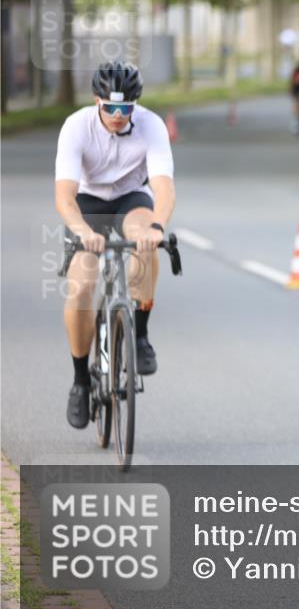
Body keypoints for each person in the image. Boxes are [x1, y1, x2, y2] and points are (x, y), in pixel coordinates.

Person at [54, 61, 176, 429]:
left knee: (145, 241)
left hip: (131, 198)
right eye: (111, 108)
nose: (119, 116)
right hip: (88, 204)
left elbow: (164, 186)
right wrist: (80, 231)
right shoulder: (77, 127)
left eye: (127, 108)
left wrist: (157, 226)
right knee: (83, 285)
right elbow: (64, 195)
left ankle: (139, 333)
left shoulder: (152, 125)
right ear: (97, 102)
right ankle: (80, 381)